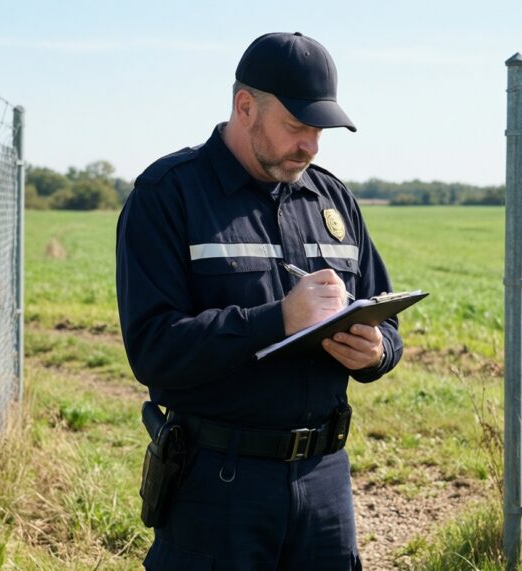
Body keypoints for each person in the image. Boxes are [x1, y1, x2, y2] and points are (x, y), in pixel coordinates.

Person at [116, 31, 403, 570]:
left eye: (319, 130)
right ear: (245, 107)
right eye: (296, 126)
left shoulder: (333, 199)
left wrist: (376, 352)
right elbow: (153, 349)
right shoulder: (168, 195)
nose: (311, 146)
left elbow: (383, 318)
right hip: (216, 485)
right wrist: (278, 319)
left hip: (325, 483)